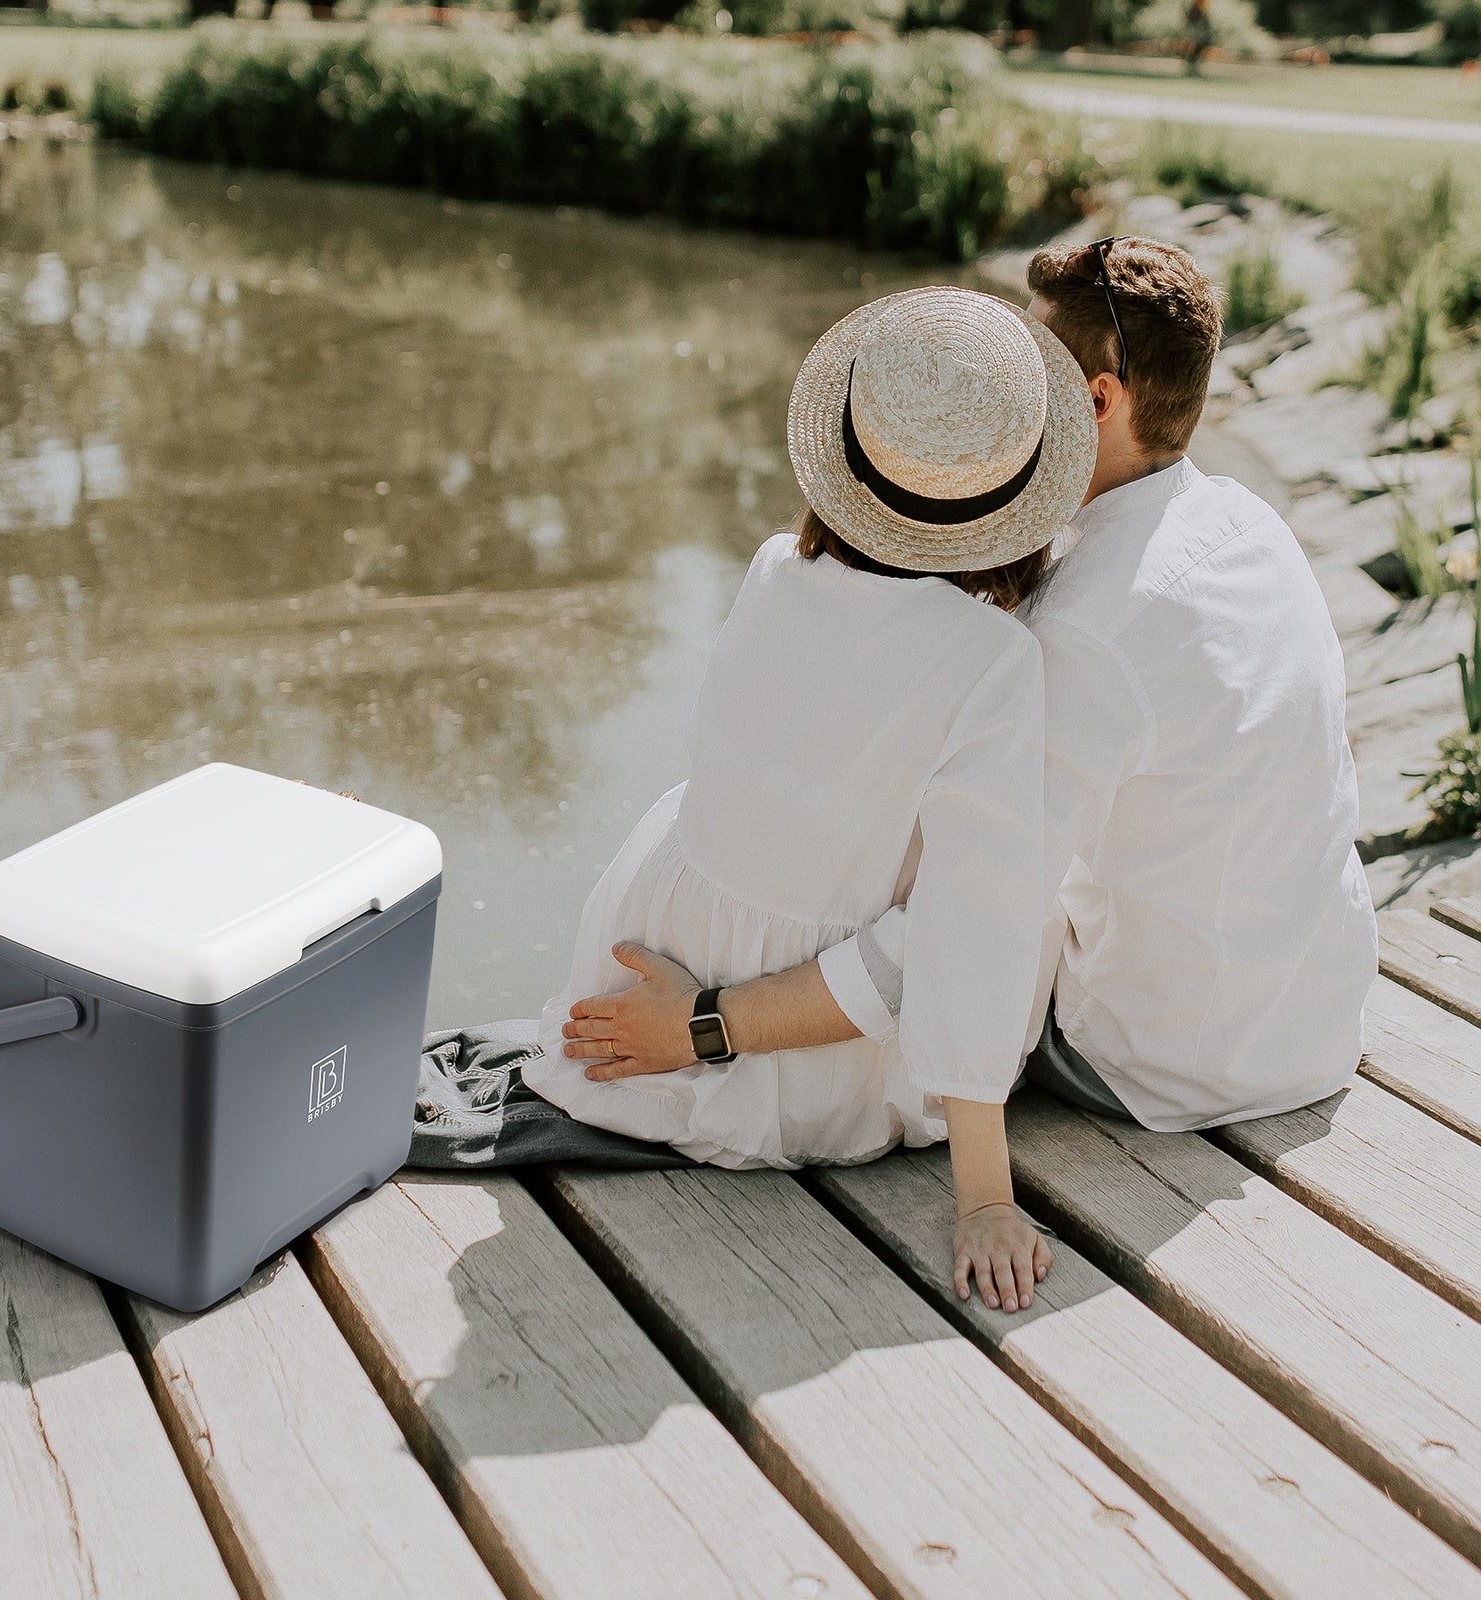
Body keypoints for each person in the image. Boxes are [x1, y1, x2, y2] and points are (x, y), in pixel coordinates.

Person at [559, 237, 1379, 1147]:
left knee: (932, 866)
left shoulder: (1077, 634)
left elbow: (957, 934)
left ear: (1098, 400)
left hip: (1160, 1066)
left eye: (1028, 366)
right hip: (1315, 1023)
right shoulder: (1250, 525)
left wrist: (707, 1024)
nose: (998, 384)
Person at [411, 285, 1102, 1315]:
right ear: (1017, 495)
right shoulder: (993, 661)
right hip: (792, 1071)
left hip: (640, 954)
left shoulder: (777, 568)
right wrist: (985, 1199)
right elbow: (972, 932)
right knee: (1031, 891)